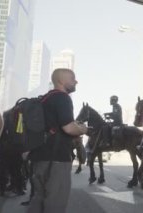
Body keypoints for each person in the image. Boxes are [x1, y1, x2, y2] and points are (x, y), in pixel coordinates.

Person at [27, 68, 88, 213]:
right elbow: (68, 128)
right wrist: (83, 129)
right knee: (55, 201)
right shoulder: (62, 97)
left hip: (39, 158)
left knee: (38, 198)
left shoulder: (44, 99)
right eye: (73, 78)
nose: (76, 81)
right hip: (57, 159)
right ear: (61, 81)